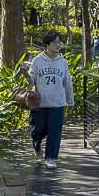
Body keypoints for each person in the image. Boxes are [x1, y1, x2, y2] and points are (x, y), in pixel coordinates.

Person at [28, 31, 73, 169]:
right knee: (37, 131)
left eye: (59, 42)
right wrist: (25, 74)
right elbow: (32, 80)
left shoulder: (62, 62)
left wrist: (70, 101)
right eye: (55, 43)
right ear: (47, 44)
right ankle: (37, 145)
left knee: (55, 132)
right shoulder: (37, 60)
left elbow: (67, 83)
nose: (58, 45)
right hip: (40, 104)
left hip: (57, 104)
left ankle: (51, 158)